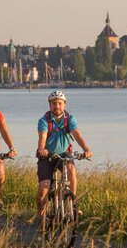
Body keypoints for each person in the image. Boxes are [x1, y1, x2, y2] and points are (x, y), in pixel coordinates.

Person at [36, 90, 92, 218]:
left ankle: (72, 203)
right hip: (47, 156)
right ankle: (41, 221)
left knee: (71, 170)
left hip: (64, 154)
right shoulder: (44, 121)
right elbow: (42, 137)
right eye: (54, 103)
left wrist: (86, 150)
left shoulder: (69, 119)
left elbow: (77, 134)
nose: (57, 106)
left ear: (64, 104)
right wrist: (41, 149)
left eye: (60, 103)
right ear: (49, 105)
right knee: (43, 188)